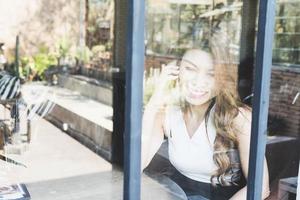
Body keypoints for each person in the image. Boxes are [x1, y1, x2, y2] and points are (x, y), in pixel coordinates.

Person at [141, 36, 270, 199]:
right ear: (177, 69)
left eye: (211, 74)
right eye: (190, 69)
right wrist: (155, 101)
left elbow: (260, 188)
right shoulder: (168, 111)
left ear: (222, 78)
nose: (198, 81)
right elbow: (138, 163)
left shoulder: (239, 118)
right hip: (177, 193)